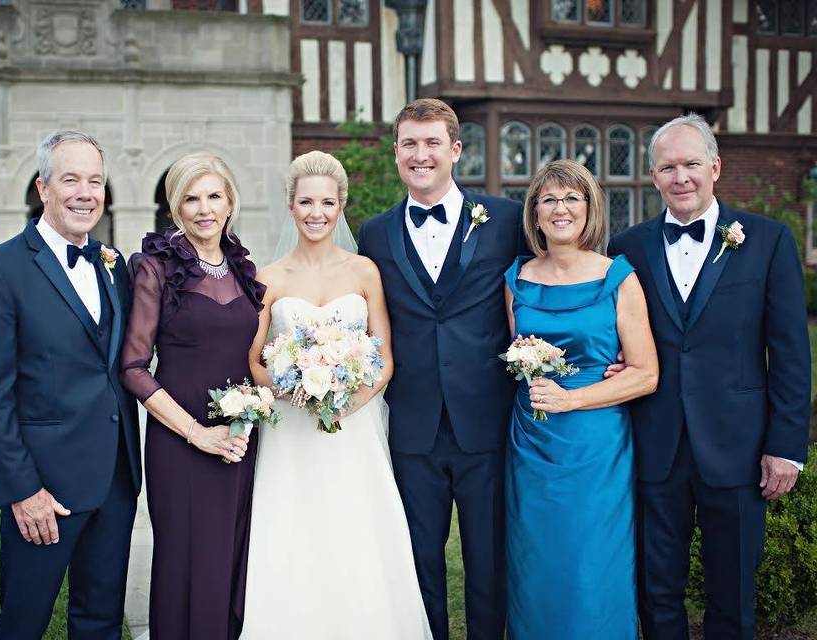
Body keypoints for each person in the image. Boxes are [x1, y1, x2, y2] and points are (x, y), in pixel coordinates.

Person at [608, 113, 810, 639]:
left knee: (733, 591)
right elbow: (614, 332)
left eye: (691, 164)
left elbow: (790, 353)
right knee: (657, 590)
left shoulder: (767, 241)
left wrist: (785, 446)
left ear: (715, 167)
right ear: (653, 176)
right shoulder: (628, 249)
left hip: (739, 447)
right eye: (668, 167)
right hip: (655, 444)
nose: (681, 178)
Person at [241, 150, 432, 639]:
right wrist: (291, 388)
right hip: (293, 429)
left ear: (341, 205)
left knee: (356, 528)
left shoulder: (364, 271)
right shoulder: (270, 277)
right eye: (306, 202)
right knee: (293, 529)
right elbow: (253, 359)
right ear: (291, 206)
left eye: (327, 202)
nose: (316, 213)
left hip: (354, 426)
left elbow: (385, 357)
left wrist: (351, 401)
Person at [0, 130, 141, 639]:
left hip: (115, 479)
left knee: (101, 620)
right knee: (24, 621)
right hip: (44, 488)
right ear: (43, 188)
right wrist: (22, 491)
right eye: (71, 180)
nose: (86, 193)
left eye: (96, 181)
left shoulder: (113, 265)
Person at [357, 98, 526, 639]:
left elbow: (547, 286)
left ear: (455, 150)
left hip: (487, 421)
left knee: (488, 563)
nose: (421, 154)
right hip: (411, 426)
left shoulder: (503, 219)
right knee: (418, 564)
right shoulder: (374, 233)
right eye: (410, 143)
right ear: (397, 153)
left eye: (432, 143)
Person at [503, 159, 659, 638]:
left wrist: (574, 399)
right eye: (548, 199)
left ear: (590, 208)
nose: (560, 208)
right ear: (535, 213)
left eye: (572, 198)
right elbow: (517, 359)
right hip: (531, 443)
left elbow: (646, 373)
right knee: (536, 561)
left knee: (594, 562)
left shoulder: (619, 278)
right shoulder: (517, 280)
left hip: (596, 445)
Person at [119, 152, 262, 639]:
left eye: (213, 196)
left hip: (240, 441)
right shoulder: (156, 268)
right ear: (175, 208)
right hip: (181, 442)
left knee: (230, 553)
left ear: (230, 202)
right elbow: (133, 368)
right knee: (184, 559)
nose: (204, 209)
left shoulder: (243, 267)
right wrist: (197, 433)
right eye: (190, 198)